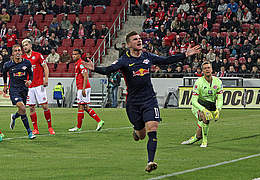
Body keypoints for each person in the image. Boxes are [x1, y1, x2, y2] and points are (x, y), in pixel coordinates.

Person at [82, 31, 201, 172]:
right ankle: (136, 132)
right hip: (133, 103)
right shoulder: (123, 60)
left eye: (139, 38)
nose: (139, 41)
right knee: (141, 134)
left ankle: (150, 161)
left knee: (153, 128)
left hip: (149, 100)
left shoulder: (147, 56)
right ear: (128, 44)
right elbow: (109, 69)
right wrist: (94, 68)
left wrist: (184, 55)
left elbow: (165, 60)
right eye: (135, 39)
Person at [181, 61, 223, 147]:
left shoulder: (218, 81)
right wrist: (203, 109)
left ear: (212, 69)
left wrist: (218, 109)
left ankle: (196, 138)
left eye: (208, 68)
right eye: (205, 68)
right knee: (205, 116)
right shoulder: (198, 82)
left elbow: (220, 98)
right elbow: (194, 101)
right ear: (202, 71)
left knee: (199, 134)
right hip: (198, 105)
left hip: (210, 105)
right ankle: (205, 141)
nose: (207, 70)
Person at [21, 39, 55, 135]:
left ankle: (50, 127)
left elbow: (45, 67)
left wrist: (46, 79)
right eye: (23, 45)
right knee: (31, 108)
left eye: (26, 45)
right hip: (29, 87)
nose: (25, 47)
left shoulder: (38, 55)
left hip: (39, 85)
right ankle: (35, 129)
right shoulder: (23, 58)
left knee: (44, 106)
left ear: (30, 45)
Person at [2, 44, 36, 139]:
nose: (18, 52)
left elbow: (31, 74)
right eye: (15, 51)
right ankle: (30, 132)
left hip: (24, 89)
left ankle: (14, 116)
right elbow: (4, 74)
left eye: (19, 50)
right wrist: (5, 85)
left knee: (22, 110)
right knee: (23, 107)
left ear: (21, 52)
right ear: (12, 53)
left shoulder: (27, 63)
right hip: (14, 89)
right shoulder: (7, 64)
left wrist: (30, 81)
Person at [68, 49, 104, 132]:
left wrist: (83, 89)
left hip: (83, 88)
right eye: (72, 54)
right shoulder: (77, 64)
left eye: (75, 54)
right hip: (81, 88)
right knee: (84, 107)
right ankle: (98, 121)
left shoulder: (81, 64)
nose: (73, 56)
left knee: (81, 106)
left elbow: (85, 76)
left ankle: (79, 126)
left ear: (79, 55)